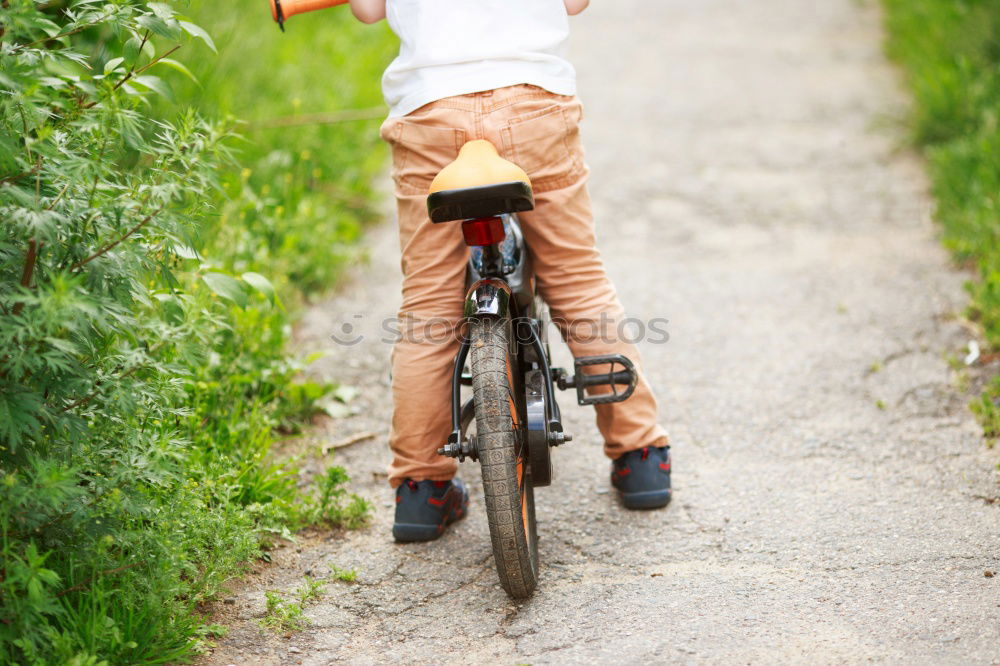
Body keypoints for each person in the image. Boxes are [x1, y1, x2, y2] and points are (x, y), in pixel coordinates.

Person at [347, 0, 671, 542]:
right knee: (576, 275)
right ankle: (639, 453)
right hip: (533, 105)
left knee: (428, 303)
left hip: (429, 114)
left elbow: (366, 11)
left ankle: (421, 490)